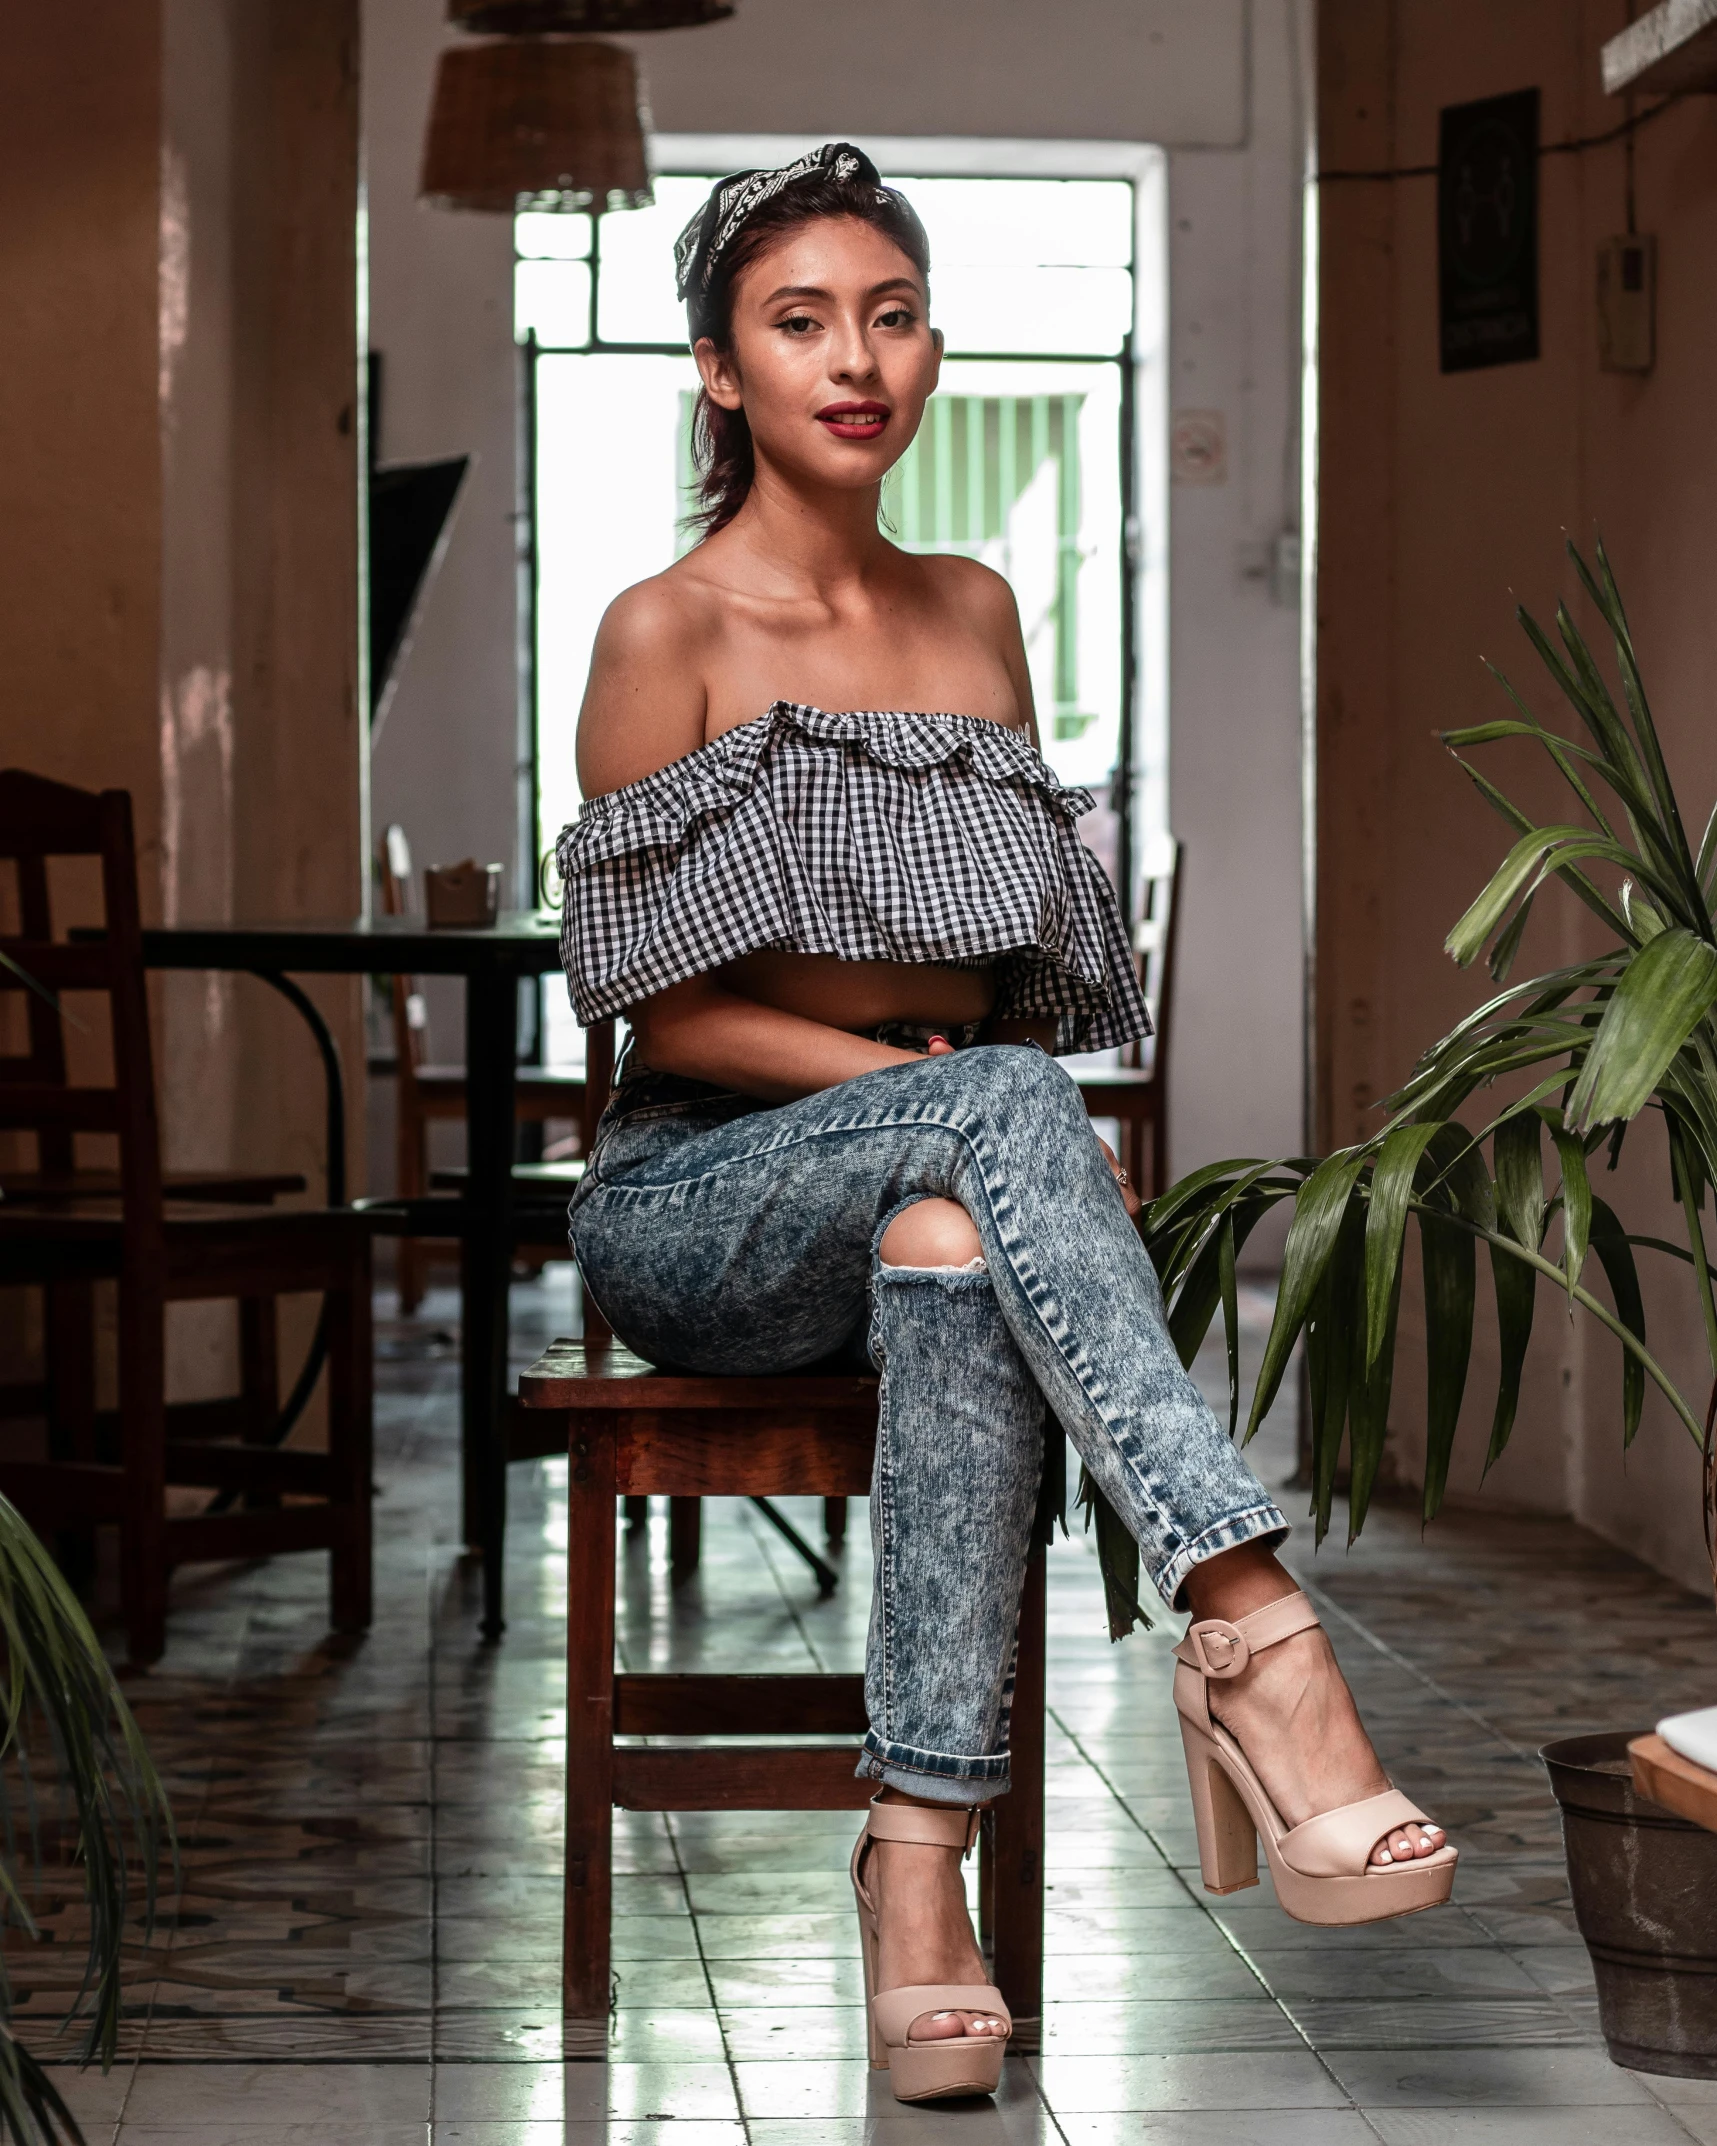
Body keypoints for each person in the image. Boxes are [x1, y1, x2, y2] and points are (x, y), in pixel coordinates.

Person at [557, 144, 1454, 2107]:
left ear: (935, 347)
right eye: (799, 322)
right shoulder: (663, 630)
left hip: (930, 1180)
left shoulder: (973, 615)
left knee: (964, 1245)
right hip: (701, 1200)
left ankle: (917, 1873)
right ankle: (1259, 1631)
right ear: (719, 370)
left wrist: (982, 1139)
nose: (852, 357)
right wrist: (948, 1103)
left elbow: (1024, 970)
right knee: (990, 1133)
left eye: (889, 315)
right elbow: (660, 1002)